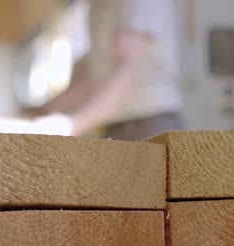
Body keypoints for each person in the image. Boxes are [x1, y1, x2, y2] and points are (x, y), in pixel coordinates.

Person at [31, 0, 184, 141]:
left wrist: (73, 124)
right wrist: (44, 109)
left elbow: (127, 70)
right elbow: (94, 76)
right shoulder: (97, 5)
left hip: (148, 123)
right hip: (116, 124)